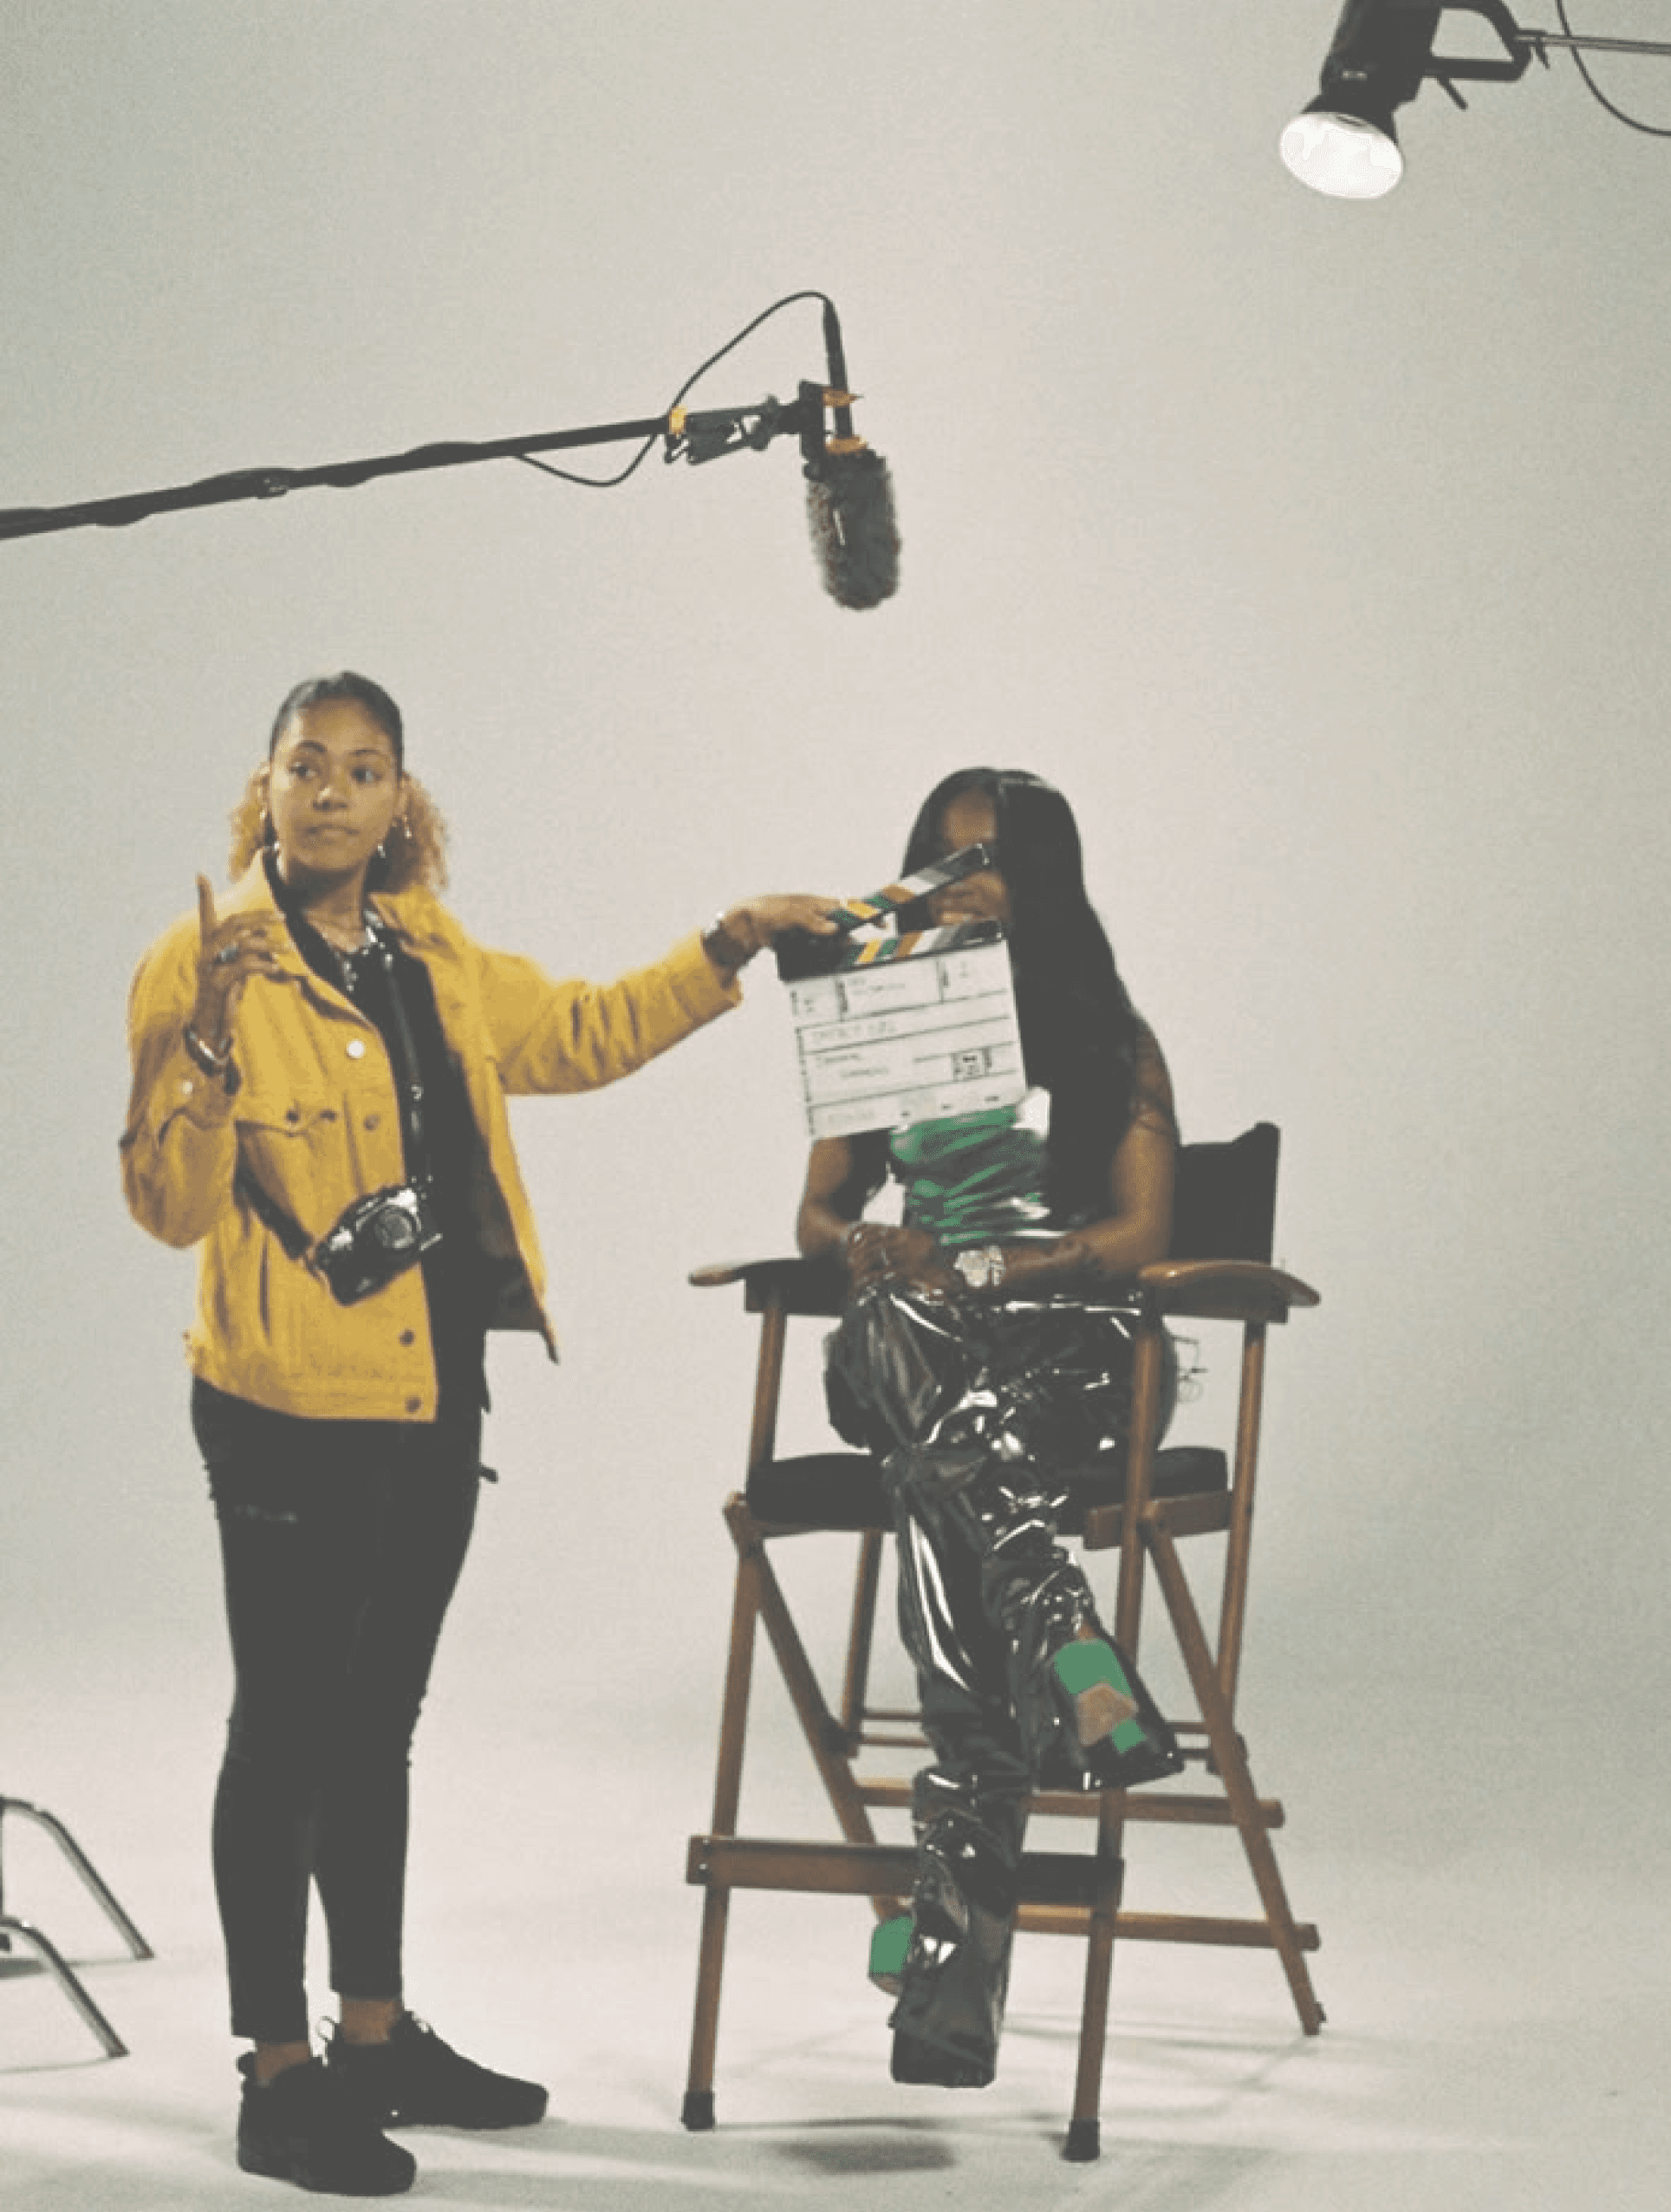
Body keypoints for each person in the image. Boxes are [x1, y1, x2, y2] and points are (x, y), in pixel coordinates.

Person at [120, 671, 836, 2196]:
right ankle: (277, 2074)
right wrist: (205, 1048)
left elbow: (579, 1033)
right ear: (264, 789)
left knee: (375, 1727)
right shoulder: (206, 960)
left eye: (364, 767)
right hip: (286, 1405)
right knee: (284, 1736)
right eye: (306, 765)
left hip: (433, 1392)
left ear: (401, 799)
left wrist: (727, 942)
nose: (332, 791)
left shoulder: (428, 951)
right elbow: (167, 1208)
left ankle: (373, 2039)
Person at [796, 767, 1182, 2090]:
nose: (965, 885)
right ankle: (1069, 1638)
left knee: (939, 1497)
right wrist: (864, 1247)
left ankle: (949, 1960)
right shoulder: (882, 1026)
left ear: (1044, 882)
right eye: (945, 858)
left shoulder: (1107, 1036)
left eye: (994, 859)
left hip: (1063, 1355)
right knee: (899, 1328)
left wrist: (993, 1269)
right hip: (915, 1343)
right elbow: (817, 1215)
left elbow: (1143, 1232)